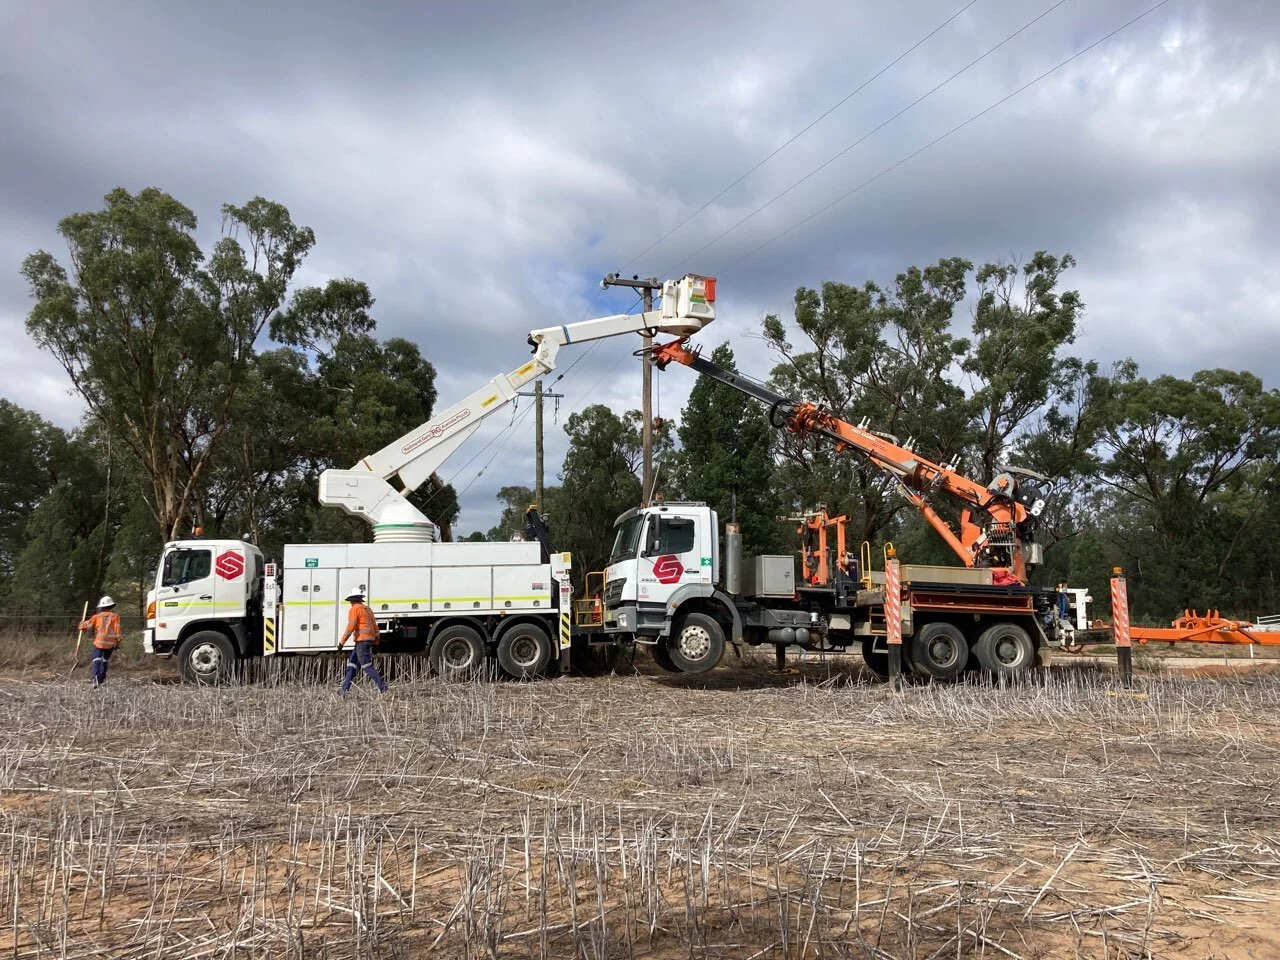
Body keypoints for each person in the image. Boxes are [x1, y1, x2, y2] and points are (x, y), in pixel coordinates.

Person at [338, 593, 388, 695]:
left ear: (352, 601)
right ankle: (344, 690)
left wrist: (342, 642)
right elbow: (375, 627)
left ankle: (384, 689)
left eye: (350, 602)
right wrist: (376, 642)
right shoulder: (368, 609)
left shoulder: (354, 609)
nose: (350, 604)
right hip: (365, 641)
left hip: (361, 641)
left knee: (367, 666)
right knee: (352, 665)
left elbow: (351, 626)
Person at [79, 596, 122, 687]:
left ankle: (95, 680)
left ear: (101, 607)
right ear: (111, 606)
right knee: (105, 661)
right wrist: (117, 643)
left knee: (96, 660)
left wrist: (82, 624)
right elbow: (118, 631)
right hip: (110, 644)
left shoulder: (97, 616)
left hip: (99, 642)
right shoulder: (116, 617)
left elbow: (85, 626)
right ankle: (101, 679)